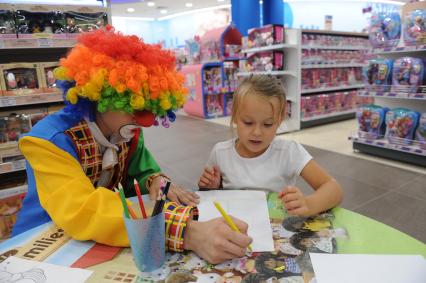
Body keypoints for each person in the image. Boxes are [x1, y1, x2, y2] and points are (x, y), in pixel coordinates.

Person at [12, 27, 251, 264]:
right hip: (46, 246)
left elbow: (142, 173)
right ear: (100, 95)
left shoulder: (128, 133)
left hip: (99, 243)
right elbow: (82, 209)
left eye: (150, 108)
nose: (146, 121)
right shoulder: (48, 141)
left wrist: (156, 180)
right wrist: (186, 231)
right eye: (136, 107)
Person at [198, 75, 343, 217]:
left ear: (279, 121)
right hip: (233, 229)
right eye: (248, 122)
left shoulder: (289, 152)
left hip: (276, 231)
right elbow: (210, 198)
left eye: (268, 124)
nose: (257, 132)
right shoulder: (221, 153)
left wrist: (308, 204)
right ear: (235, 116)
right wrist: (213, 187)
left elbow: (334, 189)